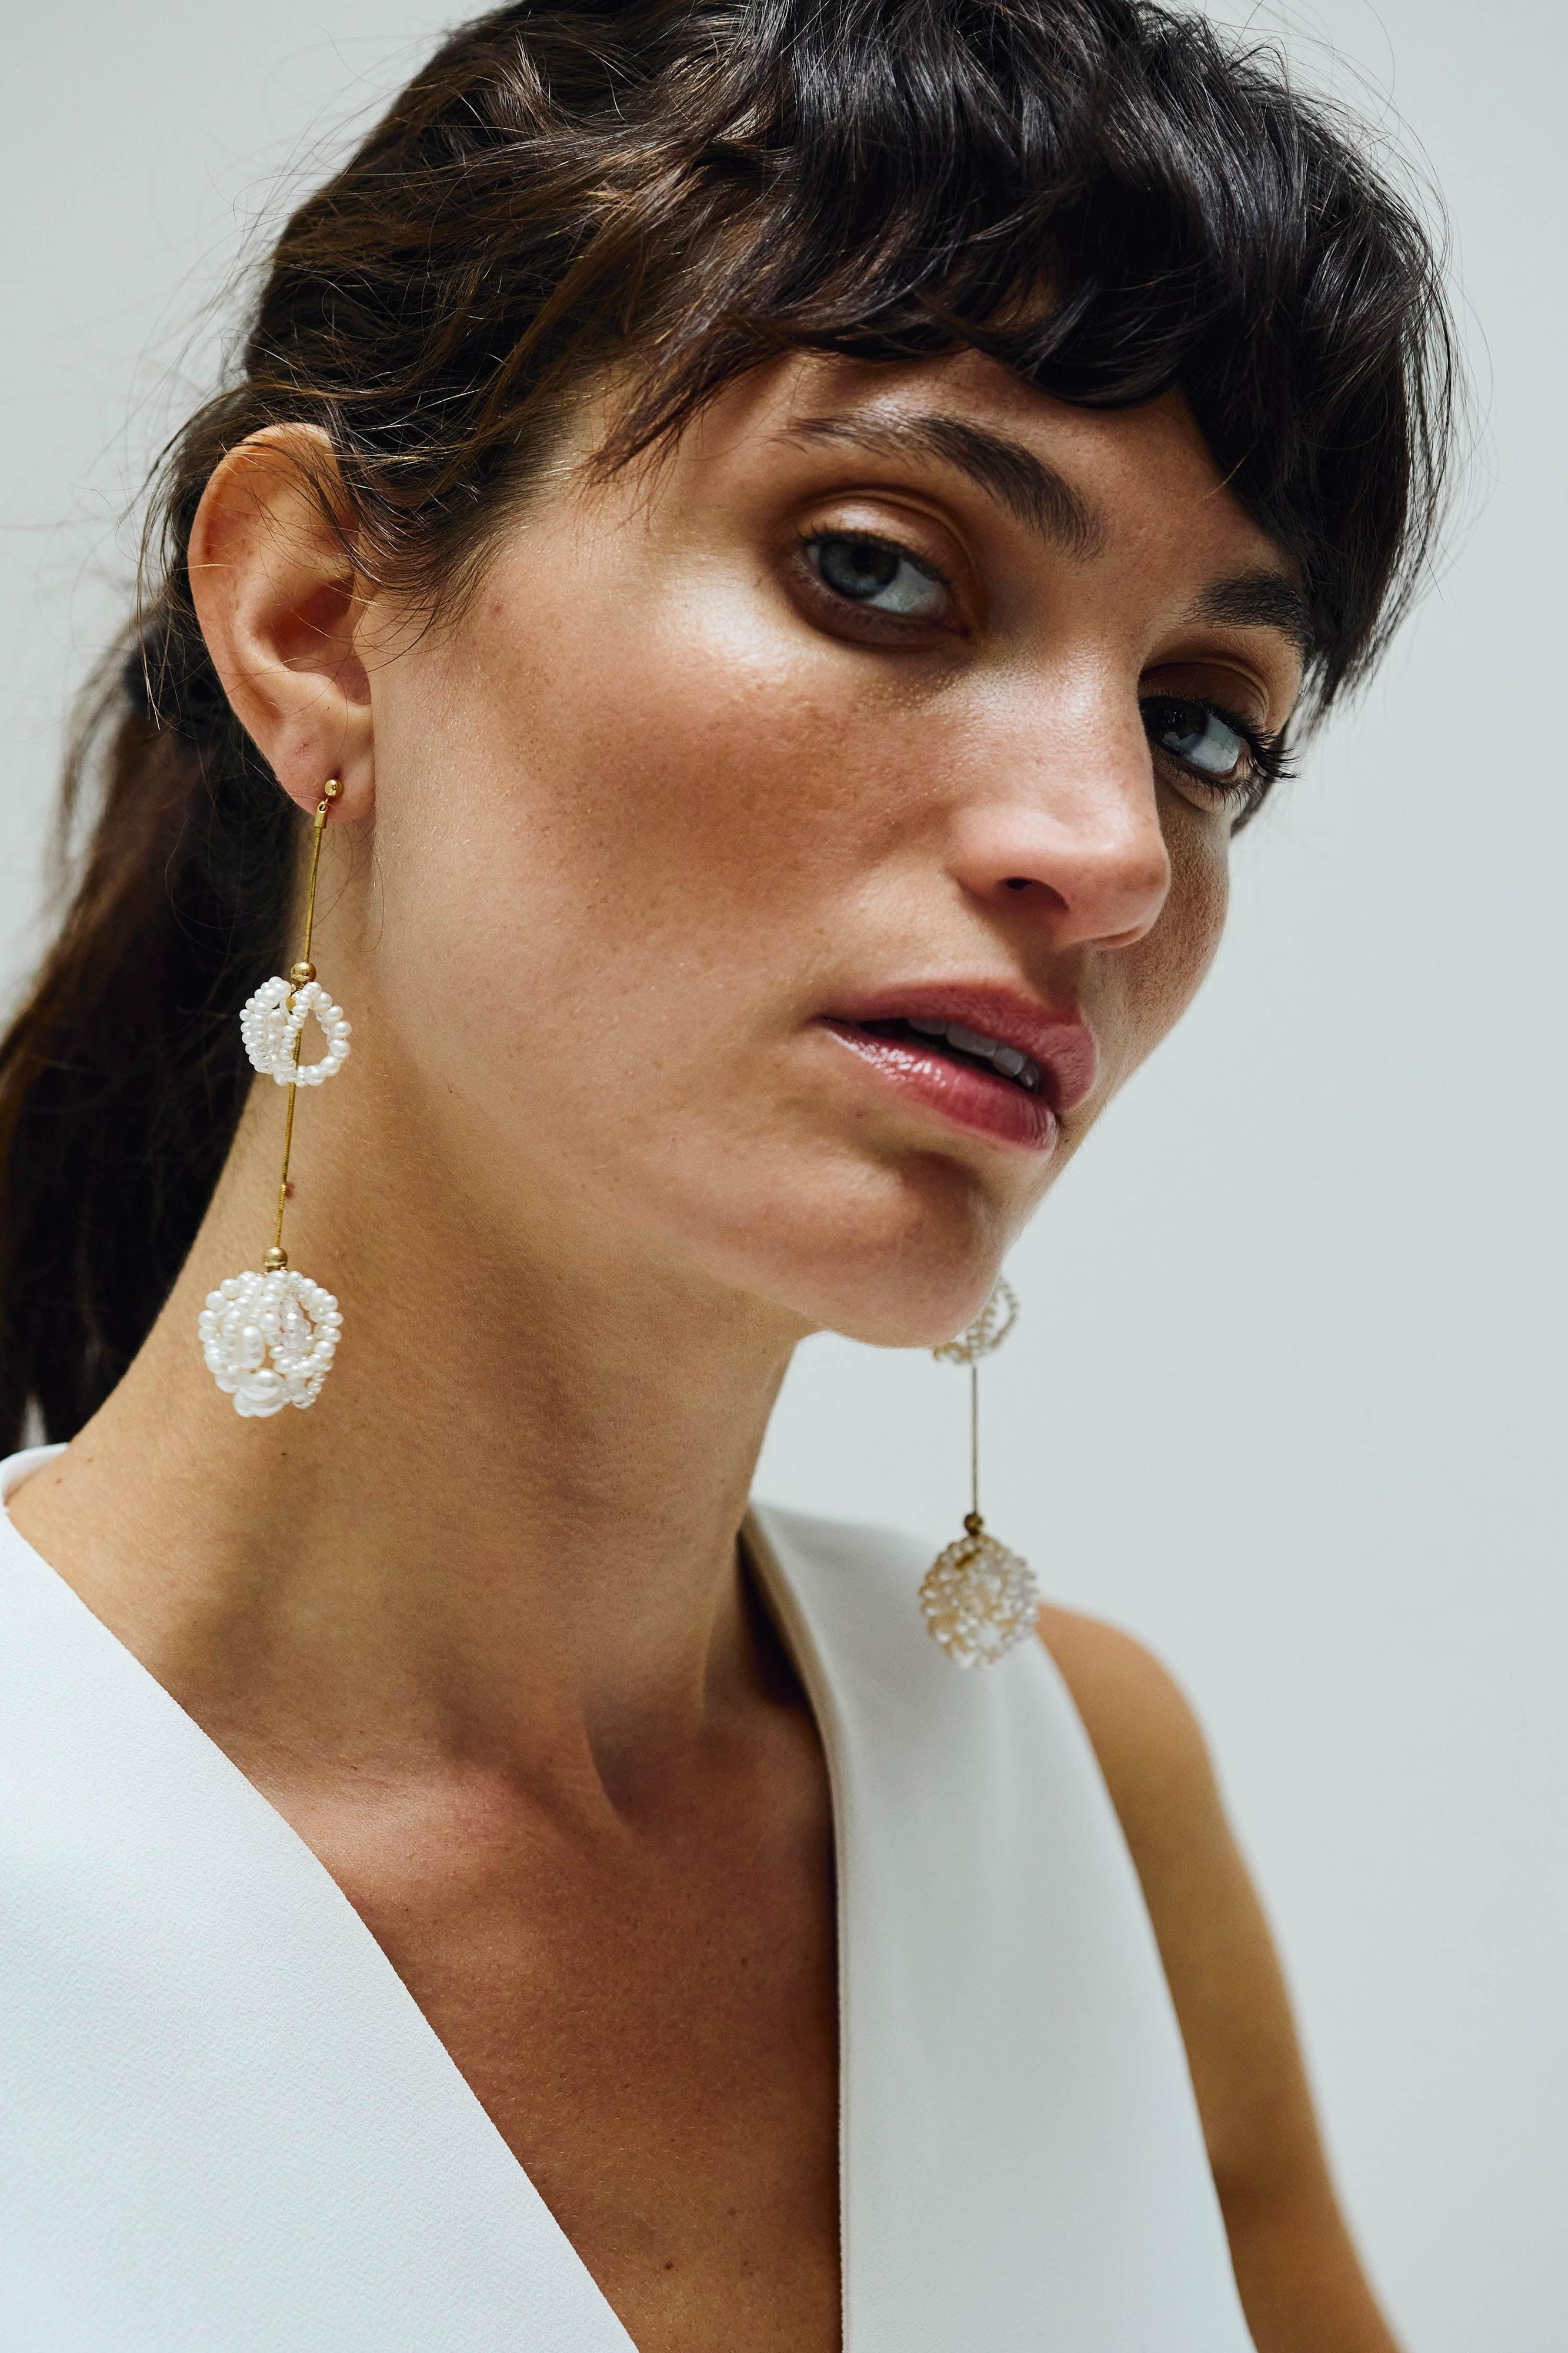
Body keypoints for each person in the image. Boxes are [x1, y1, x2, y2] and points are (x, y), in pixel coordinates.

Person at [0, 2, 1455, 2347]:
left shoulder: (1092, 1803)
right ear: (316, 621)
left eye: (1201, 724)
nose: (1106, 846)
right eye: (880, 572)